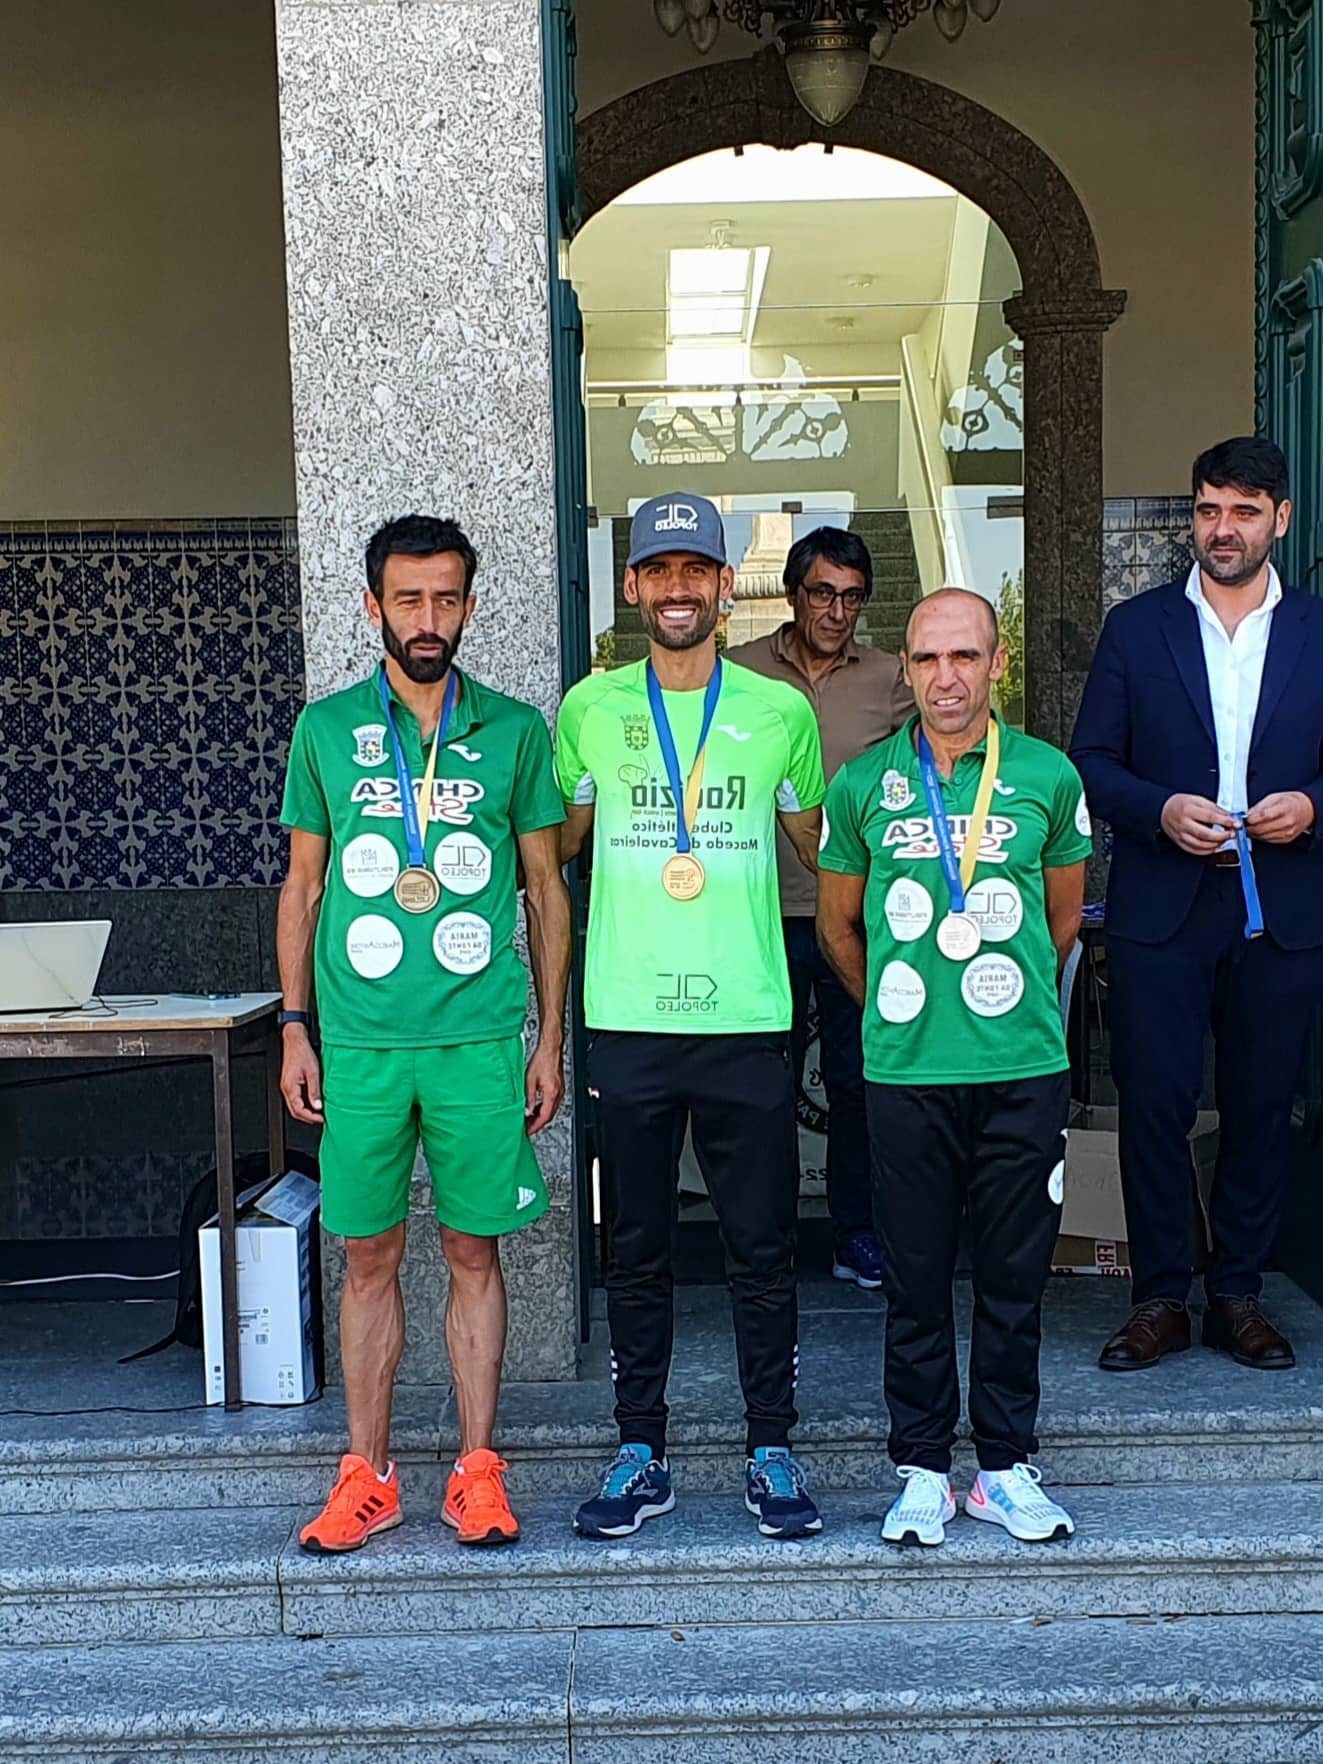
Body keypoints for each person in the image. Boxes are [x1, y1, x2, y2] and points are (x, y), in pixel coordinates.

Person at [279, 514, 570, 1553]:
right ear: (372, 605)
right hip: (357, 1044)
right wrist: (295, 1028)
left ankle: (476, 1473)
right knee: (367, 1256)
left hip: (479, 1041)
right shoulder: (325, 730)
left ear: (470, 606)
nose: (429, 618)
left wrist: (549, 1041)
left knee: (472, 1251)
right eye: (409, 598)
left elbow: (544, 887)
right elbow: (303, 887)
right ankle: (368, 1474)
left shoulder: (514, 731)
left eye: (447, 598)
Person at [557, 492, 827, 1541]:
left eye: (696, 570)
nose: (678, 588)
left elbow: (819, 849)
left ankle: (770, 1448)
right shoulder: (587, 708)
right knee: (636, 1244)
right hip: (625, 1014)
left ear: (725, 585)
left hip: (749, 1012)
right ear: (631, 586)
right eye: (658, 570)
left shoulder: (779, 712)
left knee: (760, 1248)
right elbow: (562, 849)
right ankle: (641, 1450)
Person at [818, 587, 1090, 1547]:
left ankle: (1004, 1468)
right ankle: (924, 1468)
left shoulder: (1046, 778)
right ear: (906, 668)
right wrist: (900, 1010)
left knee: (1013, 1279)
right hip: (903, 1072)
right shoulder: (862, 785)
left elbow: (1061, 920)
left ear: (996, 664)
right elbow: (836, 927)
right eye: (927, 659)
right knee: (916, 1278)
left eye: (964, 657)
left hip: (1020, 1065)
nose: (945, 678)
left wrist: (996, 1000)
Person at [1071, 437, 1323, 1374]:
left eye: (1244, 512)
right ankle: (1158, 1299)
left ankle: (1238, 1296)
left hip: (1283, 908)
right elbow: (1091, 761)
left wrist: (1311, 807)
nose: (1223, 529)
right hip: (1163, 906)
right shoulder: (1136, 629)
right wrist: (1157, 810)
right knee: (1153, 1106)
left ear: (1279, 520)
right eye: (1209, 509)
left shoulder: (1316, 630)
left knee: (1262, 1107)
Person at [730, 527, 914, 1290]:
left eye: (851, 597)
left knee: (853, 1081)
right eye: (821, 594)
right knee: (755, 1088)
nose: (836, 611)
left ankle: (856, 1234)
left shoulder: (892, 680)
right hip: (751, 916)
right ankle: (762, 1240)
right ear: (791, 594)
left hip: (854, 916)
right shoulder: (735, 672)